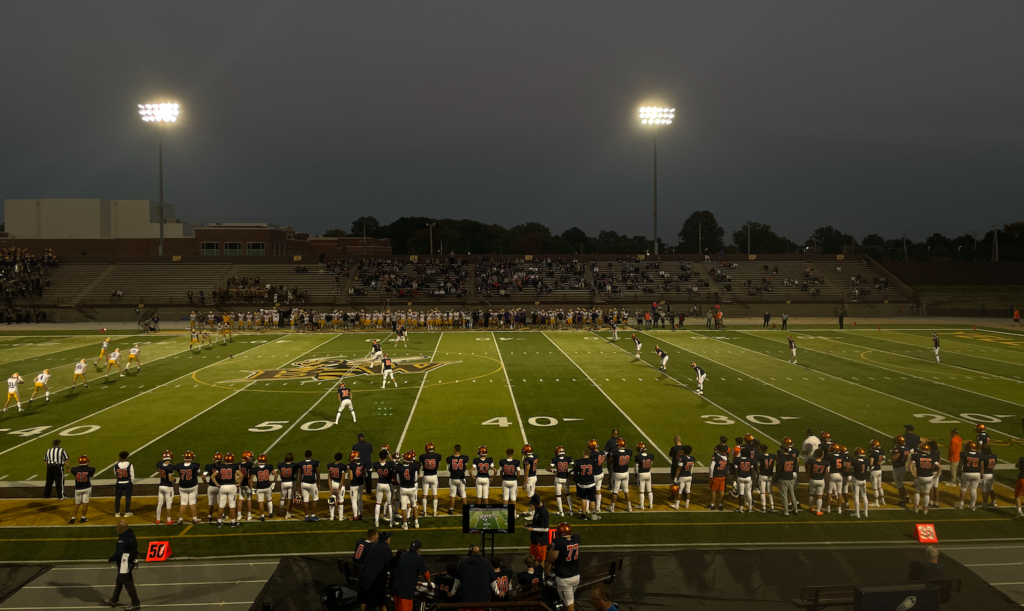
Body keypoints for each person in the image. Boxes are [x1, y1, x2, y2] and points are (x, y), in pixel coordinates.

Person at [546, 522, 582, 611]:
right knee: (570, 599)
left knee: (568, 601)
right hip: (576, 575)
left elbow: (550, 560)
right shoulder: (576, 538)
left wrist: (546, 575)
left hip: (565, 578)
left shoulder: (558, 543)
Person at [105, 520, 141, 610]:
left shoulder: (121, 540)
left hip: (124, 563)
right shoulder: (132, 535)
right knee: (120, 581)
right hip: (131, 560)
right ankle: (114, 599)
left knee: (128, 583)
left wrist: (111, 559)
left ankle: (135, 603)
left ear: (120, 529)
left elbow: (118, 554)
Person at [357, 530, 392, 611]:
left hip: (364, 578)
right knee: (381, 603)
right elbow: (389, 566)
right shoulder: (386, 549)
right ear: (386, 540)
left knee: (364, 601)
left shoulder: (374, 546)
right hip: (375, 581)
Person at [392, 540, 429, 611]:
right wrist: (429, 584)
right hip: (405, 593)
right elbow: (426, 574)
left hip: (396, 590)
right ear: (418, 550)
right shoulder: (418, 559)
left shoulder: (403, 556)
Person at [69, 455, 95, 523]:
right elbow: (91, 474)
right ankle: (83, 517)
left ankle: (73, 518)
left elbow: (74, 471)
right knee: (85, 503)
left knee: (77, 503)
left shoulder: (74, 469)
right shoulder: (91, 469)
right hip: (87, 487)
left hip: (78, 488)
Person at [524, 494, 550, 562]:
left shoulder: (544, 513)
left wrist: (533, 529)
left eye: (534, 504)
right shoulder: (538, 510)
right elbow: (537, 524)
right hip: (534, 540)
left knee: (540, 560)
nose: (533, 506)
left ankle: (541, 572)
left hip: (540, 542)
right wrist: (530, 525)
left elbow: (546, 529)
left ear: (537, 503)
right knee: (533, 559)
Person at [113, 451, 135, 517]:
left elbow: (115, 474)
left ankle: (117, 512)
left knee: (117, 498)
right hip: (127, 483)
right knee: (128, 497)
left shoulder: (116, 465)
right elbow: (132, 475)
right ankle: (127, 512)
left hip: (119, 483)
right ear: (126, 457)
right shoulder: (130, 465)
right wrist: (131, 483)